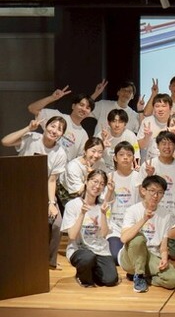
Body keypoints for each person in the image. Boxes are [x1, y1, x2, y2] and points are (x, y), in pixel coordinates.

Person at [2, 116, 68, 269]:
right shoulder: (31, 138)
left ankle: (49, 261)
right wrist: (28, 128)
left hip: (41, 192)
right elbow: (5, 141)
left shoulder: (60, 153)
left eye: (59, 129)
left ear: (62, 135)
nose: (55, 131)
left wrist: (51, 203)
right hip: (19, 189)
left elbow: (52, 180)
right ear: (45, 126)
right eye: (53, 126)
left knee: (57, 223)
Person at [120, 175, 175, 293]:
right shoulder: (132, 210)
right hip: (130, 256)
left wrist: (164, 258)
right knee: (138, 239)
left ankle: (144, 277)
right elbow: (124, 238)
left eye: (160, 192)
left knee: (173, 280)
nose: (155, 195)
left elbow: (163, 245)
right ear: (143, 191)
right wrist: (144, 219)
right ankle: (139, 276)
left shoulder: (166, 214)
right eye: (152, 191)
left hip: (151, 256)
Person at [137, 131, 175, 260]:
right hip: (153, 217)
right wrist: (149, 176)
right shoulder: (149, 165)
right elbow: (141, 193)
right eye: (163, 143)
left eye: (170, 143)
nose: (167, 147)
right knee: (151, 250)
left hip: (174, 217)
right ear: (157, 146)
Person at [61, 169, 119, 288]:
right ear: (86, 181)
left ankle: (91, 270)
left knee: (110, 280)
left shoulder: (103, 206)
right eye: (94, 181)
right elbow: (72, 235)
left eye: (101, 184)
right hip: (79, 249)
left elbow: (104, 234)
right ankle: (83, 277)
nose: (97, 186)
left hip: (100, 249)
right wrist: (82, 214)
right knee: (87, 258)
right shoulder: (72, 205)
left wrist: (103, 214)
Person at [28, 87, 94, 161]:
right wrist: (52, 98)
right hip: (42, 162)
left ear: (89, 113)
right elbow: (32, 108)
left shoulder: (84, 135)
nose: (84, 109)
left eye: (88, 108)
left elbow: (81, 159)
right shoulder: (57, 116)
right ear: (73, 106)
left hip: (62, 167)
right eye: (81, 105)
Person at [103, 141, 139, 261]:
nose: (125, 158)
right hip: (115, 227)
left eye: (129, 155)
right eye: (121, 154)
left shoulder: (138, 177)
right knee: (115, 256)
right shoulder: (109, 177)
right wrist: (110, 191)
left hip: (133, 226)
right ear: (115, 158)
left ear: (133, 158)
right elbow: (104, 204)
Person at [57, 137, 105, 207]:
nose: (96, 155)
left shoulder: (101, 162)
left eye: (100, 152)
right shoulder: (73, 167)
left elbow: (105, 182)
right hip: (70, 193)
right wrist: (91, 176)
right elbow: (80, 192)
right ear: (85, 151)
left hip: (92, 191)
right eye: (93, 151)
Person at [137, 92, 172, 162]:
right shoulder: (147, 122)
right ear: (153, 108)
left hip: (169, 165)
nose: (160, 109)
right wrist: (146, 138)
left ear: (170, 108)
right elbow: (138, 146)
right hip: (148, 165)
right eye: (157, 106)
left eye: (163, 106)